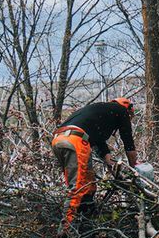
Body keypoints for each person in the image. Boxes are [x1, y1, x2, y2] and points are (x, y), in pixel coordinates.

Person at [49, 96, 139, 226]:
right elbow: (128, 142)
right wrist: (134, 168)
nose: (128, 119)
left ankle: (85, 222)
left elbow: (99, 141)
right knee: (79, 186)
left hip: (59, 140)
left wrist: (109, 162)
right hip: (76, 140)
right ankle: (66, 230)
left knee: (88, 184)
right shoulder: (121, 110)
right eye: (129, 116)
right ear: (127, 108)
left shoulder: (100, 112)